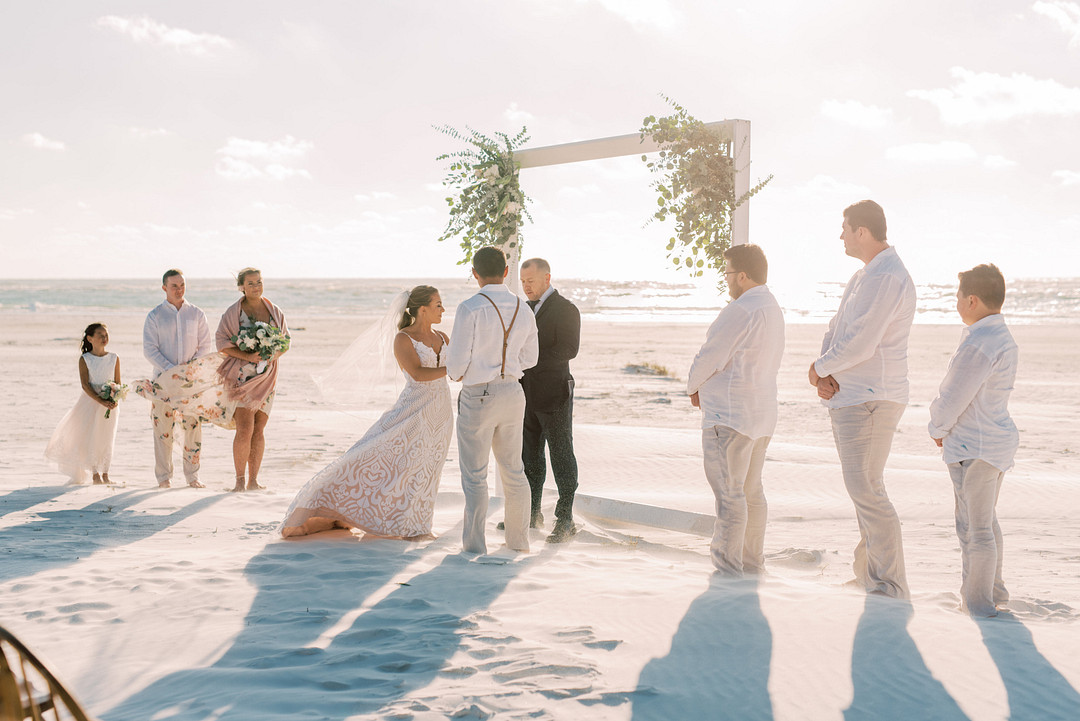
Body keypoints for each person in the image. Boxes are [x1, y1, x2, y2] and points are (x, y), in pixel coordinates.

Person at [281, 286, 453, 539]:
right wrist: (454, 367)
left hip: (441, 411)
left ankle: (417, 523)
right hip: (413, 410)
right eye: (438, 304)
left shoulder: (443, 337)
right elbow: (417, 374)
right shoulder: (403, 338)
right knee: (387, 459)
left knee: (429, 466)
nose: (443, 309)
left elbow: (457, 370)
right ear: (423, 309)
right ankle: (408, 527)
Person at [809, 200, 916, 599]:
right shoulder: (862, 277)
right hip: (850, 396)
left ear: (863, 232)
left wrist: (820, 368)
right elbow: (837, 330)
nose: (840, 235)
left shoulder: (887, 276)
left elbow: (864, 342)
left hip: (873, 397)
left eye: (845, 228)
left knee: (867, 489)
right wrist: (824, 372)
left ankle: (888, 584)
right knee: (863, 490)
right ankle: (869, 575)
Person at [687, 244, 785, 575]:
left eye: (727, 273)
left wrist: (693, 386)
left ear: (742, 276)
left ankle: (728, 570)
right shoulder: (771, 306)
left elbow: (710, 356)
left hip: (729, 416)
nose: (726, 280)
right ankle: (751, 562)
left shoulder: (741, 310)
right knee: (751, 492)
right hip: (760, 414)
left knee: (730, 495)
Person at [928, 264, 1018, 617]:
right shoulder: (999, 335)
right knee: (986, 522)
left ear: (972, 300)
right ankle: (993, 591)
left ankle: (979, 604)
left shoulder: (981, 342)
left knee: (974, 527)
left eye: (957, 297)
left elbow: (954, 396)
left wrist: (937, 428)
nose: (956, 303)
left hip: (976, 446)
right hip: (992, 442)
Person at [446, 246, 539, 555]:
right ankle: (518, 543)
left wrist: (464, 373)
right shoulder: (523, 308)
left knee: (475, 475)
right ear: (506, 272)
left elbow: (456, 364)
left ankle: (474, 546)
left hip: (479, 394)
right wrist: (507, 366)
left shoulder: (470, 307)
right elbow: (531, 357)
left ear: (475, 273)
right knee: (514, 471)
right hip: (513, 392)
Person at [516, 258, 581, 543]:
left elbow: (569, 349)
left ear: (547, 278)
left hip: (555, 393)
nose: (526, 286)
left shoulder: (566, 309)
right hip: (525, 392)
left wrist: (528, 361)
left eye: (531, 280)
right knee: (529, 456)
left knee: (561, 455)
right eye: (522, 281)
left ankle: (565, 519)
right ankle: (531, 513)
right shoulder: (524, 309)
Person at [216, 268, 289, 492]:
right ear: (242, 287)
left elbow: (286, 342)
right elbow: (222, 343)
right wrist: (248, 355)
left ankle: (253, 480)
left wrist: (272, 354)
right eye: (251, 283)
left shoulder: (274, 310)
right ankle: (239, 481)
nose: (256, 286)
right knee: (245, 429)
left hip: (267, 376)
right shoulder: (233, 312)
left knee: (259, 429)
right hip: (242, 376)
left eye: (259, 281)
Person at [143, 269, 214, 488]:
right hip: (162, 381)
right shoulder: (155, 315)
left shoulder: (196, 313)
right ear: (164, 287)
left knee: (192, 429)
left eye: (182, 284)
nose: (179, 289)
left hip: (191, 383)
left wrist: (188, 370)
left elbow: (204, 345)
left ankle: (192, 477)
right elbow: (150, 349)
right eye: (174, 285)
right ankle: (164, 478)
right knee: (162, 430)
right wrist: (172, 370)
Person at [46, 323, 122, 485]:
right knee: (93, 436)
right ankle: (95, 474)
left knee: (108, 437)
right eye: (100, 335)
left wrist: (114, 399)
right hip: (91, 403)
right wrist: (101, 400)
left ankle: (106, 473)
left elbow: (118, 383)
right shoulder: (85, 359)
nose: (104, 338)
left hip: (110, 405)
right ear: (90, 338)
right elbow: (85, 385)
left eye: (106, 335)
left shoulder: (114, 358)